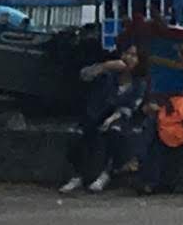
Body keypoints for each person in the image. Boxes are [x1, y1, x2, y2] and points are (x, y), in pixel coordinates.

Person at [59, 42, 140, 193]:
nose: (128, 58)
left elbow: (130, 108)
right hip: (96, 115)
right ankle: (77, 176)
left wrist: (112, 118)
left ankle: (106, 174)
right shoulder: (108, 76)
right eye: (126, 53)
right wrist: (104, 67)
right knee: (78, 134)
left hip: (119, 119)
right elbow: (84, 75)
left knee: (115, 133)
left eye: (134, 56)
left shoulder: (138, 84)